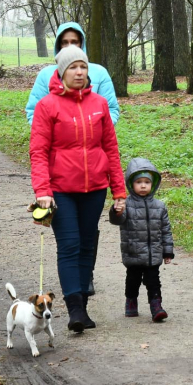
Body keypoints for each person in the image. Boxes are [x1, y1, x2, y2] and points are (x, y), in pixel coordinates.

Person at [29, 46, 126, 333]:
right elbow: (38, 151)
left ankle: (82, 302)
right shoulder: (48, 106)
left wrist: (118, 190)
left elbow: (110, 147)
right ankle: (75, 309)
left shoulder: (99, 104)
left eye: (83, 67)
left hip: (95, 188)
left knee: (88, 245)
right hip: (60, 190)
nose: (79, 72)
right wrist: (42, 190)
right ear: (61, 71)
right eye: (73, 67)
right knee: (69, 246)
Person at [110, 158, 174, 322]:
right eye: (139, 182)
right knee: (133, 281)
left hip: (153, 255)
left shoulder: (159, 206)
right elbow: (117, 220)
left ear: (153, 184)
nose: (143, 185)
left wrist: (167, 251)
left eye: (147, 182)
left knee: (154, 281)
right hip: (133, 253)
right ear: (131, 184)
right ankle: (131, 301)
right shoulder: (127, 204)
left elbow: (166, 230)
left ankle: (156, 306)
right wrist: (116, 211)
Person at [26, 22, 120, 126]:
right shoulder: (46, 74)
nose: (69, 46)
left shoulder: (99, 72)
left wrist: (96, 131)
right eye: (65, 42)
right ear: (59, 45)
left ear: (81, 43)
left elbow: (111, 109)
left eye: (74, 42)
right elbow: (35, 111)